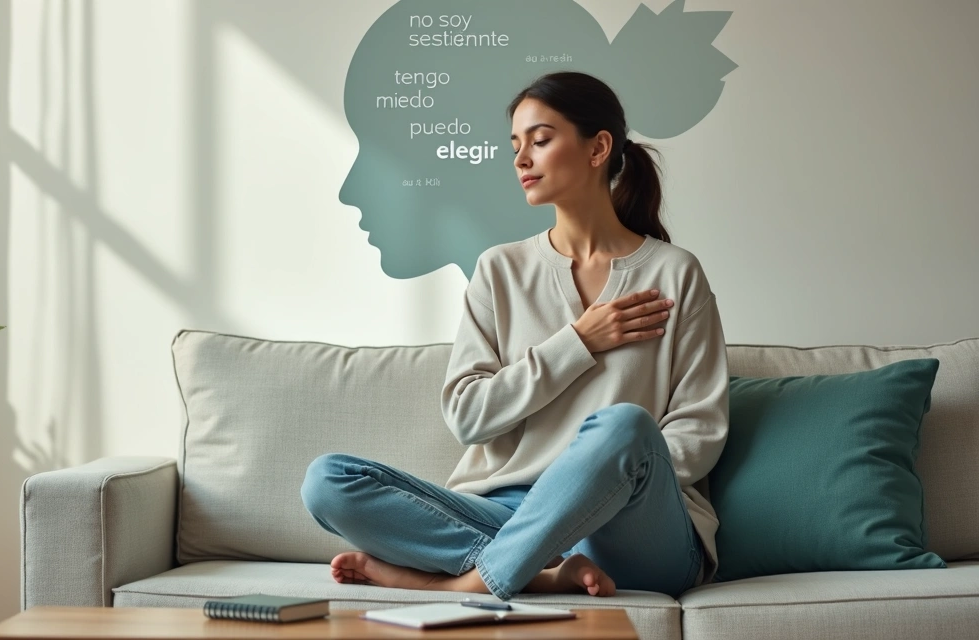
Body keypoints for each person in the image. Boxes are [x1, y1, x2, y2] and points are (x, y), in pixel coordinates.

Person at [302, 71, 729, 601]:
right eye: (515, 146)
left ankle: (470, 578)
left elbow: (699, 428)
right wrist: (577, 343)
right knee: (329, 481)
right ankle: (541, 569)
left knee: (625, 425)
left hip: (630, 525)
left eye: (540, 140)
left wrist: (587, 492)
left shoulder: (675, 274)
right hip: (507, 511)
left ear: (598, 148)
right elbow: (468, 415)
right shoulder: (499, 271)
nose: (521, 159)